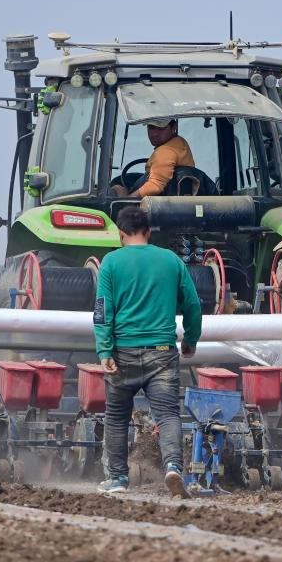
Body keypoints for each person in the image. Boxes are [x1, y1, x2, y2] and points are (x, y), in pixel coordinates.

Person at [93, 206, 202, 496]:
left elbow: (103, 310)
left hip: (122, 353)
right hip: (163, 351)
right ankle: (173, 467)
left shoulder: (111, 263)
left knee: (117, 417)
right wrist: (190, 340)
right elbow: (192, 304)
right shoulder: (170, 260)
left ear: (120, 233)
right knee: (167, 415)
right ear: (149, 232)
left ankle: (117, 479)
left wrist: (104, 350)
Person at [112, 119, 195, 197]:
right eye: (151, 127)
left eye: (161, 128)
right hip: (174, 189)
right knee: (122, 181)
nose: (155, 134)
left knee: (116, 186)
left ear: (174, 127)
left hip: (162, 199)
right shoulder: (180, 142)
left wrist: (127, 200)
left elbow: (155, 186)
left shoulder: (165, 151)